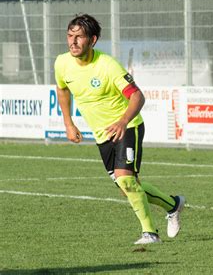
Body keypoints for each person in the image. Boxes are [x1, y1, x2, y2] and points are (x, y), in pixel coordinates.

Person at [55, 14, 185, 245]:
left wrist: (123, 121)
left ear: (92, 40)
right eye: (69, 36)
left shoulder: (107, 65)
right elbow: (62, 89)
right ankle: (173, 205)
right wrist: (68, 122)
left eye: (79, 37)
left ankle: (150, 234)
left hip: (128, 127)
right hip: (102, 135)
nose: (73, 42)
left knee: (126, 181)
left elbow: (137, 96)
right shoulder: (62, 63)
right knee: (128, 188)